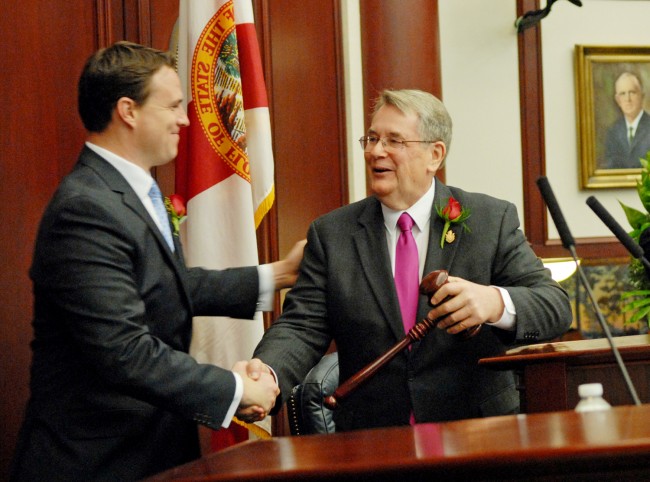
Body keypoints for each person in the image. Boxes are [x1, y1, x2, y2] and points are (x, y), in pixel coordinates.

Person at [10, 41, 303, 481]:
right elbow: (125, 352)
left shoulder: (129, 191)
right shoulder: (85, 209)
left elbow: (164, 284)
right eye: (173, 106)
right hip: (98, 462)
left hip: (150, 451)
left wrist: (278, 274)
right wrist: (236, 389)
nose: (186, 120)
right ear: (128, 111)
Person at [251, 89, 572, 431]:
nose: (375, 151)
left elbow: (555, 307)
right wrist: (266, 375)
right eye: (371, 138)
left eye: (394, 140)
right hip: (373, 439)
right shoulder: (332, 234)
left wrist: (494, 302)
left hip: (477, 435)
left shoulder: (489, 220)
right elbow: (301, 326)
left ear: (434, 155)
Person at [603, 71, 650, 169]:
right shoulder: (612, 132)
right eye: (622, 94)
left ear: (642, 95)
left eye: (632, 92)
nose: (627, 99)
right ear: (617, 100)